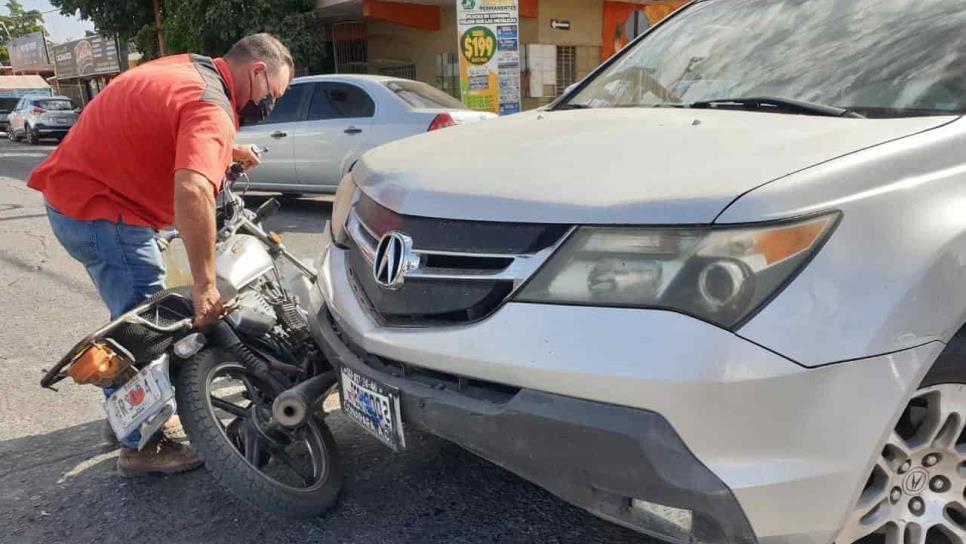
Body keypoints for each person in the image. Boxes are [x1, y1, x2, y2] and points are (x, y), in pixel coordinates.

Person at [27, 33, 294, 476]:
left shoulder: (191, 67)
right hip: (103, 214)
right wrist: (205, 285)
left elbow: (163, 122)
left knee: (129, 320)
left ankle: (125, 418)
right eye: (274, 95)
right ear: (258, 72)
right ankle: (142, 446)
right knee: (145, 336)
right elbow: (192, 191)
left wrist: (226, 151)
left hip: (74, 200)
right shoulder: (212, 105)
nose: (269, 105)